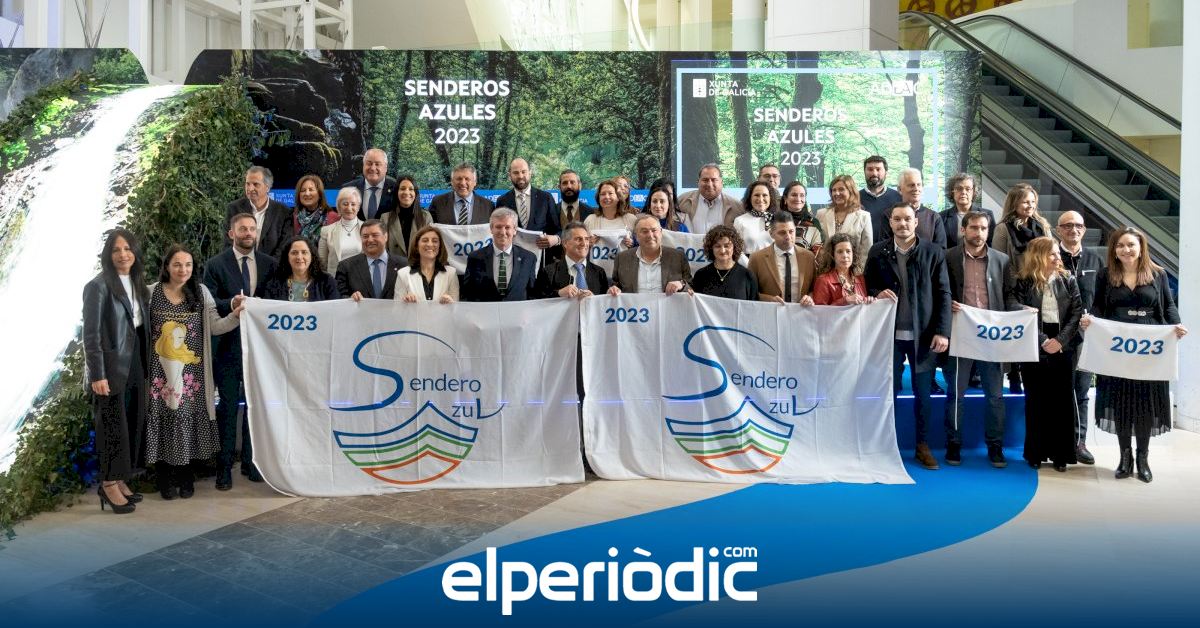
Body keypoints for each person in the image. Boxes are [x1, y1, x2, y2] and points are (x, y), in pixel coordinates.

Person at [1082, 227, 1187, 483]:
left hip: (1149, 349)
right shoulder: (1106, 274)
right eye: (1120, 245)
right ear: (1114, 250)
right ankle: (1125, 457)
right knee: (1120, 402)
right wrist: (1091, 320)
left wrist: (1177, 326)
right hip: (1116, 348)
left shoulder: (1158, 274)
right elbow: (1098, 305)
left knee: (1144, 403)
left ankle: (1143, 458)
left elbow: (1168, 306)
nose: (1125, 250)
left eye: (1130, 245)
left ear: (1141, 248)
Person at [146, 245, 243, 500]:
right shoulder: (151, 293)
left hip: (193, 376)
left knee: (187, 422)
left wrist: (235, 316)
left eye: (188, 265)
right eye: (177, 264)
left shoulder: (200, 292)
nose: (183, 270)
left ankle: (185, 476)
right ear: (167, 266)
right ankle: (165, 477)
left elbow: (215, 326)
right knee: (164, 421)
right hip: (160, 376)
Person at [864, 203, 951, 470]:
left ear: (916, 222)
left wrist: (943, 331)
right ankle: (883, 446)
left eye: (907, 219)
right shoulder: (877, 251)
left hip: (923, 336)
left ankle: (922, 445)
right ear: (890, 223)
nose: (902, 223)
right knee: (887, 393)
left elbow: (944, 293)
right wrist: (876, 293)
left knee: (923, 395)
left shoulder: (933, 252)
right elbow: (867, 286)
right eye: (897, 219)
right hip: (888, 336)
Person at [203, 213, 278, 489]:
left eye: (251, 229)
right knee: (227, 408)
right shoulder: (215, 265)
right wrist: (231, 303)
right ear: (231, 234)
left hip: (260, 348)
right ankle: (224, 467)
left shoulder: (270, 264)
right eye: (242, 229)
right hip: (227, 348)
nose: (248, 233)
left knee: (254, 407)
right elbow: (209, 300)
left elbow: (276, 300)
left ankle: (250, 462)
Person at [83, 229, 150, 513]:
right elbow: (91, 335)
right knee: (111, 425)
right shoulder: (97, 286)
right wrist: (97, 374)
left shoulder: (136, 281)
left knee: (130, 421)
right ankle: (108, 484)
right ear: (108, 255)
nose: (123, 254)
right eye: (116, 250)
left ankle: (120, 477)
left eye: (127, 248)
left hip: (134, 359)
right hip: (111, 366)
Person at [1006, 236, 1082, 472]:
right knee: (1036, 400)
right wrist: (1043, 340)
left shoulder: (1068, 279)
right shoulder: (1024, 281)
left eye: (1058, 253)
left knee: (1062, 402)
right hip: (1034, 344)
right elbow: (1015, 308)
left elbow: (1076, 313)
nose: (1058, 257)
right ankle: (1035, 453)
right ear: (1038, 256)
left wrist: (1060, 341)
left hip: (1064, 344)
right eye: (1052, 254)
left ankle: (1061, 454)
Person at [943, 211, 1011, 468]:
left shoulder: (1002, 260)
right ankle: (954, 443)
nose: (979, 232)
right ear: (963, 230)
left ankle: (995, 445)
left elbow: (1009, 296)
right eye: (973, 227)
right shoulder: (948, 257)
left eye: (983, 228)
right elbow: (941, 291)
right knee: (956, 394)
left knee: (995, 395)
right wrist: (948, 304)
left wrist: (1022, 311)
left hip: (991, 337)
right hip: (960, 335)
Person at [992, 182, 1051, 394]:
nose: (1030, 205)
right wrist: (1013, 285)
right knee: (1015, 332)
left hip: (1039, 285)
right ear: (1014, 203)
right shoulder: (1003, 229)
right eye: (1025, 201)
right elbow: (999, 260)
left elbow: (1051, 254)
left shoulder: (1042, 226)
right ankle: (1013, 373)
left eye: (1033, 201)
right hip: (1014, 287)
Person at [1056, 210, 1103, 464]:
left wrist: (1095, 318)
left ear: (1084, 230)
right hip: (1056, 337)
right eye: (1067, 225)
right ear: (1058, 230)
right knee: (1058, 391)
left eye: (1078, 226)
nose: (1073, 230)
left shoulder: (1096, 260)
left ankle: (1079, 442)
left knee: (1082, 391)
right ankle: (1058, 443)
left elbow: (1103, 298)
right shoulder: (1051, 257)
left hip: (1087, 338)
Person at [463, 208, 539, 301]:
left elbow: (532, 293)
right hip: (485, 310)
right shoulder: (475, 258)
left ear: (515, 230)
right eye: (498, 227)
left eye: (507, 227)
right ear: (491, 229)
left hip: (517, 310)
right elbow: (468, 293)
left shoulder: (529, 258)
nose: (503, 232)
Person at [608, 214, 693, 295]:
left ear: (661, 232)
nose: (650, 235)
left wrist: (681, 285)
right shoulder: (622, 258)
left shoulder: (678, 257)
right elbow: (615, 286)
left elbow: (691, 287)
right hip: (633, 305)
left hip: (669, 306)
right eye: (644, 231)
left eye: (654, 230)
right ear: (636, 236)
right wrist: (613, 290)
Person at [747, 211, 816, 305]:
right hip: (769, 312)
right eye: (782, 233)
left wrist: (810, 298)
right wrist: (769, 300)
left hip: (801, 312)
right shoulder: (756, 258)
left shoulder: (809, 257)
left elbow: (814, 288)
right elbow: (749, 292)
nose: (788, 237)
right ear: (771, 234)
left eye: (791, 231)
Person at [225, 165, 290, 259]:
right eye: (248, 184)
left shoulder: (283, 212)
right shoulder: (234, 209)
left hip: (272, 266)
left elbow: (283, 247)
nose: (250, 188)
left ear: (267, 187)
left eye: (256, 184)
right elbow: (228, 242)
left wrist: (267, 265)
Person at [337, 219, 407, 301]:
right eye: (365, 236)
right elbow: (339, 297)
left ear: (385, 236)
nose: (370, 240)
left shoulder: (404, 265)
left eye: (375, 235)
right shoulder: (346, 267)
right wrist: (350, 299)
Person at [536, 222, 610, 299]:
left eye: (586, 239)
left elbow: (604, 303)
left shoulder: (599, 272)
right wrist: (559, 293)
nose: (584, 243)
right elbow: (538, 301)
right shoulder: (548, 272)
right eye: (578, 239)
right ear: (565, 243)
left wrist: (594, 299)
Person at [815, 175, 872, 272]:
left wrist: (858, 273)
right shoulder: (821, 214)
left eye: (841, 189)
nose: (837, 193)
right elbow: (816, 245)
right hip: (825, 271)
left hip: (852, 272)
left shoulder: (864, 217)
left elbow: (866, 251)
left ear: (851, 191)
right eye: (834, 190)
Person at [882, 168, 946, 247]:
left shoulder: (934, 217)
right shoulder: (889, 215)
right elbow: (884, 247)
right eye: (911, 185)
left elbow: (941, 249)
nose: (916, 189)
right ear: (899, 189)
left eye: (919, 185)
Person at [262, 237, 340, 302]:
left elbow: (335, 309)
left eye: (304, 252)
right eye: (294, 253)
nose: (299, 257)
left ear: (312, 256)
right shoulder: (274, 283)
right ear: (287, 257)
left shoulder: (327, 281)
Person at [496, 157, 560, 236]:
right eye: (516, 173)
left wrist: (554, 239)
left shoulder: (546, 198)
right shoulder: (502, 201)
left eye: (524, 172)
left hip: (539, 244)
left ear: (530, 172)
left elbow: (556, 229)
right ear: (510, 175)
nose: (520, 176)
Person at [692, 225, 758, 301]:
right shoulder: (700, 275)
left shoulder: (747, 276)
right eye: (717, 246)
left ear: (735, 247)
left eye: (727, 246)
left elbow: (753, 306)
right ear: (711, 248)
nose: (722, 251)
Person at [395, 225, 460, 303]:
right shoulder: (403, 274)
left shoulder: (451, 273)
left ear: (440, 246)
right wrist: (406, 303)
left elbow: (456, 308)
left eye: (435, 241)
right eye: (425, 240)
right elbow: (397, 308)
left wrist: (450, 302)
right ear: (416, 246)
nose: (430, 244)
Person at [676, 163, 744, 232]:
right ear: (698, 182)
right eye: (705, 180)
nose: (709, 184)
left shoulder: (737, 207)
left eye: (714, 180)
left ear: (721, 182)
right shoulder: (682, 201)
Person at [379, 175, 432, 261]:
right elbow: (382, 249)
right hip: (395, 266)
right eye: (402, 189)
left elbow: (430, 247)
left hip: (419, 266)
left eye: (411, 189)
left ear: (415, 193)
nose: (407, 192)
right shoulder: (385, 218)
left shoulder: (426, 217)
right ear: (397, 192)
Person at [811, 233, 872, 306]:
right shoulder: (823, 280)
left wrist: (868, 301)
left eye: (848, 251)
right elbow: (819, 311)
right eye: (840, 252)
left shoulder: (860, 278)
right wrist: (845, 301)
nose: (845, 255)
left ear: (853, 254)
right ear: (832, 255)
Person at [429, 162, 496, 225]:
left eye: (467, 179)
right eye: (459, 179)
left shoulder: (488, 206)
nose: (463, 183)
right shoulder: (438, 202)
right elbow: (430, 229)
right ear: (452, 182)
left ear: (475, 182)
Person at [939, 173, 993, 249]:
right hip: (951, 256)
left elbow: (991, 244)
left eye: (968, 189)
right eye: (959, 189)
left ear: (973, 192)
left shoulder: (987, 214)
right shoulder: (942, 217)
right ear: (952, 191)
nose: (963, 192)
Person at [340, 147, 397, 220]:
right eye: (369, 163)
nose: (372, 168)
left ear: (385, 168)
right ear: (363, 166)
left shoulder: (397, 188)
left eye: (377, 164)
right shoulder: (347, 189)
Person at [318, 186, 363, 273]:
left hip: (360, 279)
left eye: (353, 204)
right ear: (339, 206)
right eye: (345, 204)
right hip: (335, 279)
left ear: (358, 207)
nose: (349, 208)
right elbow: (322, 263)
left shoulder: (367, 229)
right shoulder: (326, 231)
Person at [859, 155, 904, 242]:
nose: (874, 173)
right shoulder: (854, 198)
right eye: (870, 169)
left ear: (886, 172)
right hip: (863, 249)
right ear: (864, 172)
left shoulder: (898, 198)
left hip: (891, 249)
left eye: (878, 169)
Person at [291, 173, 337, 252]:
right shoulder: (293, 218)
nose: (307, 193)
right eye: (303, 190)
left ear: (320, 194)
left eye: (311, 190)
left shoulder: (333, 218)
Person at [780, 181, 825, 255]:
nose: (798, 199)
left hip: (806, 261)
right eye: (794, 195)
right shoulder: (776, 220)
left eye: (802, 195)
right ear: (785, 198)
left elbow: (819, 252)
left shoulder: (813, 223)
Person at [733, 181, 776, 248]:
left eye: (765, 195)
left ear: (770, 198)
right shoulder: (739, 221)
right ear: (750, 198)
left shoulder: (777, 220)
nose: (761, 199)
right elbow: (737, 249)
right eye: (757, 195)